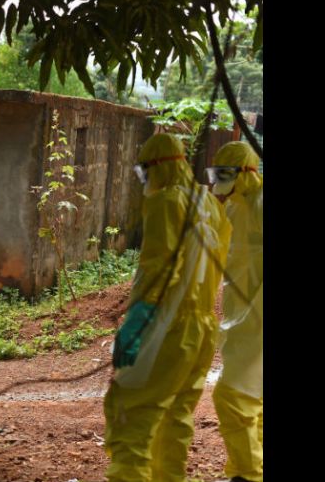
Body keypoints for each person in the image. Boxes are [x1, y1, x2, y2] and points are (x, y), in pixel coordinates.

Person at [104, 133, 232, 482]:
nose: (145, 182)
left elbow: (160, 267)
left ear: (157, 167)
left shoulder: (165, 202)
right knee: (175, 419)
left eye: (145, 173)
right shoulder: (209, 204)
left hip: (166, 326)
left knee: (131, 415)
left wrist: (137, 321)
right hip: (202, 329)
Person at [206, 142, 263, 482]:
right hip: (241, 315)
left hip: (256, 319)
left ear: (245, 173)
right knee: (251, 397)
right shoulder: (236, 207)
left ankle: (247, 474)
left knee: (230, 395)